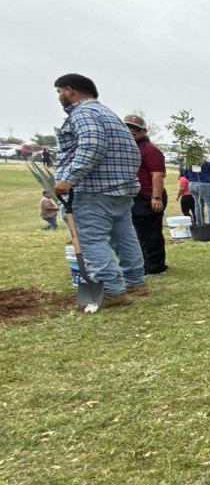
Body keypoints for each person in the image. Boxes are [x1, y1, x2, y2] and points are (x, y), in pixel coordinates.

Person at [50, 73, 147, 308]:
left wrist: (68, 179)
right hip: (120, 190)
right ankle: (135, 281)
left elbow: (92, 145)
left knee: (90, 239)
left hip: (94, 190)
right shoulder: (109, 115)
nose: (59, 97)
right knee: (124, 236)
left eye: (59, 92)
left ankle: (113, 290)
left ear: (69, 91)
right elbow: (133, 153)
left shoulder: (83, 114)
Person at [124, 114, 168, 274]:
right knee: (139, 232)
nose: (131, 131)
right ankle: (145, 263)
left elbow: (157, 174)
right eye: (128, 127)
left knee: (151, 233)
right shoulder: (129, 148)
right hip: (135, 195)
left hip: (148, 196)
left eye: (135, 128)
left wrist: (155, 197)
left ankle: (155, 266)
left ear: (143, 130)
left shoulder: (150, 150)